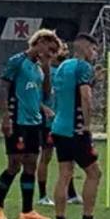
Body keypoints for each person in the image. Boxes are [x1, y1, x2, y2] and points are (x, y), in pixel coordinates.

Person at [0, 29, 61, 219]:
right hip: (17, 120)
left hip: (34, 122)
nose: (51, 54)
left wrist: (46, 70)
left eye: (54, 52)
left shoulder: (38, 68)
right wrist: (5, 116)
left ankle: (27, 210)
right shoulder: (17, 61)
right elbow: (4, 89)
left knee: (31, 163)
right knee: (14, 164)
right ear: (40, 42)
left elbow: (44, 94)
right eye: (50, 49)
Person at [49, 33, 110, 219]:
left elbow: (67, 93)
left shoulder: (64, 66)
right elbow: (85, 97)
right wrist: (87, 125)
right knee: (94, 173)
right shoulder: (84, 67)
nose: (95, 54)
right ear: (85, 48)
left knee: (64, 174)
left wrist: (93, 81)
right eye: (94, 50)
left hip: (59, 126)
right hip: (75, 129)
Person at [37, 43, 80, 208]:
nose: (65, 52)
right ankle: (42, 195)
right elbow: (36, 95)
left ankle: (71, 193)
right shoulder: (44, 73)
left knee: (69, 159)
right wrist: (44, 108)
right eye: (61, 49)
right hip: (48, 123)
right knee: (46, 156)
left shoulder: (66, 72)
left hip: (64, 122)